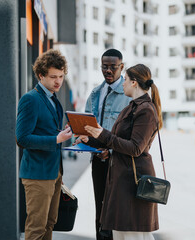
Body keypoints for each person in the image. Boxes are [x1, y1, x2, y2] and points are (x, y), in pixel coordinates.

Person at [80, 64, 162, 240]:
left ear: (134, 83)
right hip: (122, 179)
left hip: (134, 181)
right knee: (121, 233)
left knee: (133, 234)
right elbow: (117, 140)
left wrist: (101, 133)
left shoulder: (146, 110)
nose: (122, 84)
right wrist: (91, 139)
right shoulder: (131, 107)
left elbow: (135, 148)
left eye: (125, 80)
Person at [16, 49, 73, 240]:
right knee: (36, 228)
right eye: (53, 77)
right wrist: (56, 139)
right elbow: (22, 138)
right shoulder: (30, 99)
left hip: (53, 172)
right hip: (37, 175)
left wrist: (60, 133)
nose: (58, 81)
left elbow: (44, 130)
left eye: (61, 76)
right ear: (41, 75)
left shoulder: (53, 99)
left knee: (49, 223)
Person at [85, 49, 131, 240]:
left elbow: (129, 134)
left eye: (113, 67)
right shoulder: (96, 93)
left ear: (122, 67)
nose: (108, 71)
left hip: (119, 162)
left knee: (117, 213)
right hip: (98, 161)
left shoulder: (129, 94)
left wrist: (110, 151)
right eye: (105, 66)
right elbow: (87, 125)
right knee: (101, 211)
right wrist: (81, 138)